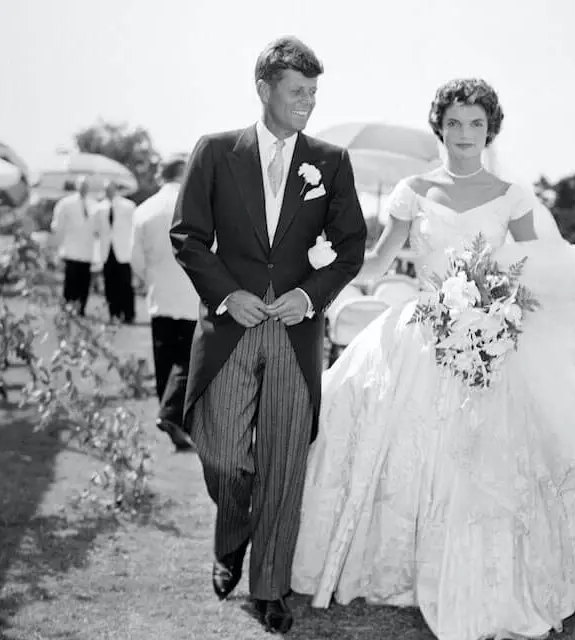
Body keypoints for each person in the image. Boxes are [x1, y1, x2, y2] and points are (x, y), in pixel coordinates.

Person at [290, 78, 575, 640]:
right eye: (456, 123)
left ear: (491, 130)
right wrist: (316, 267)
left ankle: (487, 578)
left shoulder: (513, 195)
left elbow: (536, 268)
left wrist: (500, 310)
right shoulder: (413, 189)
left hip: (491, 339)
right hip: (421, 331)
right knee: (382, 428)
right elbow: (380, 260)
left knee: (487, 458)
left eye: (477, 124)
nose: (465, 134)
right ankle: (399, 567)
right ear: (439, 125)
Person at [170, 36, 367, 634]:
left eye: (312, 92)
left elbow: (351, 247)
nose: (306, 101)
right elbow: (188, 236)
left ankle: (271, 587)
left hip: (296, 332)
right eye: (296, 91)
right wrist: (230, 294)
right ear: (264, 89)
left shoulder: (330, 161)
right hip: (231, 326)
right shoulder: (213, 152)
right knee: (225, 454)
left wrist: (308, 297)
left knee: (284, 462)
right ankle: (232, 535)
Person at [131, 157, 198, 451]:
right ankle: (172, 417)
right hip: (192, 293)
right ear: (184, 174)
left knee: (165, 361)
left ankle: (168, 415)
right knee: (188, 359)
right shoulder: (197, 205)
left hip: (159, 296)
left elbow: (135, 260)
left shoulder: (144, 209)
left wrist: (152, 278)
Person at [50, 176, 108, 316]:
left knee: (84, 282)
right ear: (77, 186)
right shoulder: (65, 203)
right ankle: (68, 307)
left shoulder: (94, 204)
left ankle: (81, 308)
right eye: (81, 186)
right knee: (71, 281)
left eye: (86, 186)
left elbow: (99, 228)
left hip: (87, 250)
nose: (83, 189)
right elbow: (57, 225)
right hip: (71, 249)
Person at [98, 181, 137, 324]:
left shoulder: (128, 206)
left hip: (123, 251)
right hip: (107, 252)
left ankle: (128, 314)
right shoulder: (99, 207)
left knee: (125, 285)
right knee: (110, 285)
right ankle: (113, 313)